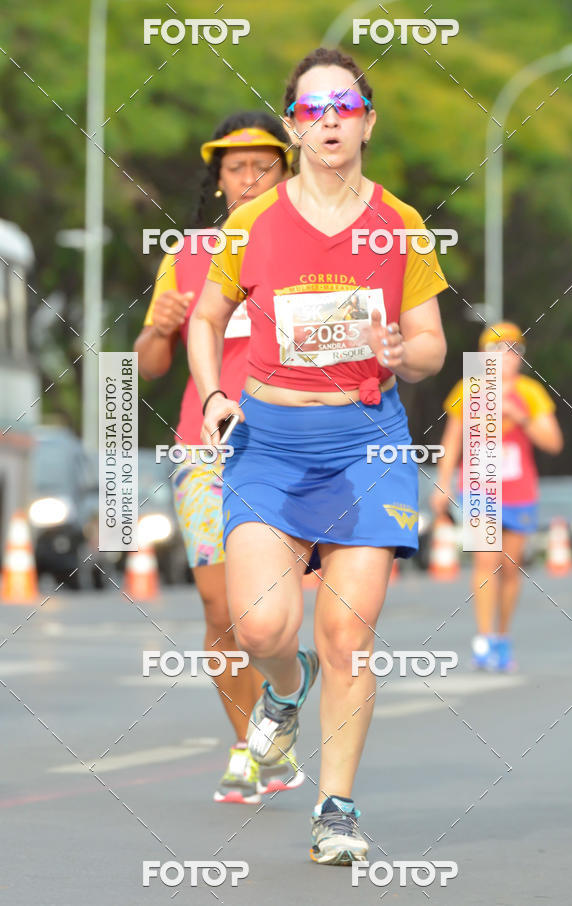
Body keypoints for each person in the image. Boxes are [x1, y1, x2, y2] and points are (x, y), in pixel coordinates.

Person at [188, 47, 448, 864]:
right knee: (262, 622)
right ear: (296, 126)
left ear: (367, 120)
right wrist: (217, 397)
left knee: (348, 635)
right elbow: (205, 319)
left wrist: (398, 350)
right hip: (269, 441)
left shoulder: (401, 223)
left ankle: (336, 806)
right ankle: (284, 689)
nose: (329, 119)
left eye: (344, 106)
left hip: (367, 440)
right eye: (311, 109)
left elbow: (436, 348)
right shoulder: (252, 223)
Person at [133, 111, 303, 804]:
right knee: (218, 606)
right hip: (204, 444)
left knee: (265, 609)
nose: (250, 177)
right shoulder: (192, 251)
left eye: (263, 165)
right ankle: (247, 747)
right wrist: (163, 329)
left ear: (285, 173)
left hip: (287, 442)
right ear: (220, 179)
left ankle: (281, 708)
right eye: (236, 167)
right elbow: (147, 364)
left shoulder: (307, 243)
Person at [431, 322, 563, 670]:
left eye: (514, 350)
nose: (507, 357)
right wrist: (443, 483)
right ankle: (485, 640)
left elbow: (553, 442)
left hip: (520, 490)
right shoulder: (469, 387)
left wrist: (520, 416)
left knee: (509, 567)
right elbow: (452, 439)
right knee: (485, 561)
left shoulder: (531, 392)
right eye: (498, 349)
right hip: (480, 486)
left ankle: (502, 637)